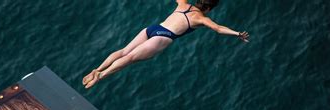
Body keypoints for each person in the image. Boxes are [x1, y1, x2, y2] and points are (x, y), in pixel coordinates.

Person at [82, 0, 249, 89]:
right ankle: (100, 77)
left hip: (153, 28)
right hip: (163, 37)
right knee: (130, 58)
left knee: (124, 50)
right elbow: (218, 28)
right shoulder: (201, 18)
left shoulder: (183, 4)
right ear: (210, 8)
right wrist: (237, 33)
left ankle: (97, 69)